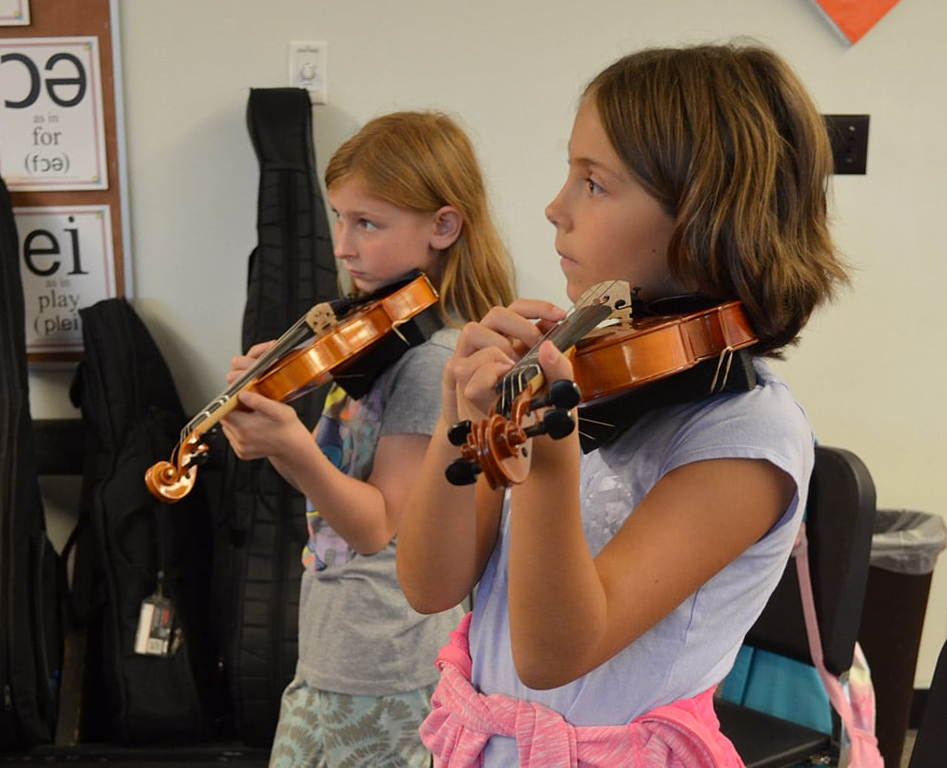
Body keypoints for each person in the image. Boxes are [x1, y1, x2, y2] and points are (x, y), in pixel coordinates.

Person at [396, 41, 850, 766]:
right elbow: (429, 585)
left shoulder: (747, 436)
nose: (555, 208)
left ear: (705, 217)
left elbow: (555, 653)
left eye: (595, 184)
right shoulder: (591, 368)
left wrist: (548, 464)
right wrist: (461, 419)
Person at [221, 110, 515, 767]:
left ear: (443, 225)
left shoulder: (430, 364)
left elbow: (376, 526)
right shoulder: (369, 343)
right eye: (339, 218)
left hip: (390, 666)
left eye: (368, 223)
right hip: (332, 649)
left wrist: (291, 449)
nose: (343, 245)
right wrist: (268, 424)